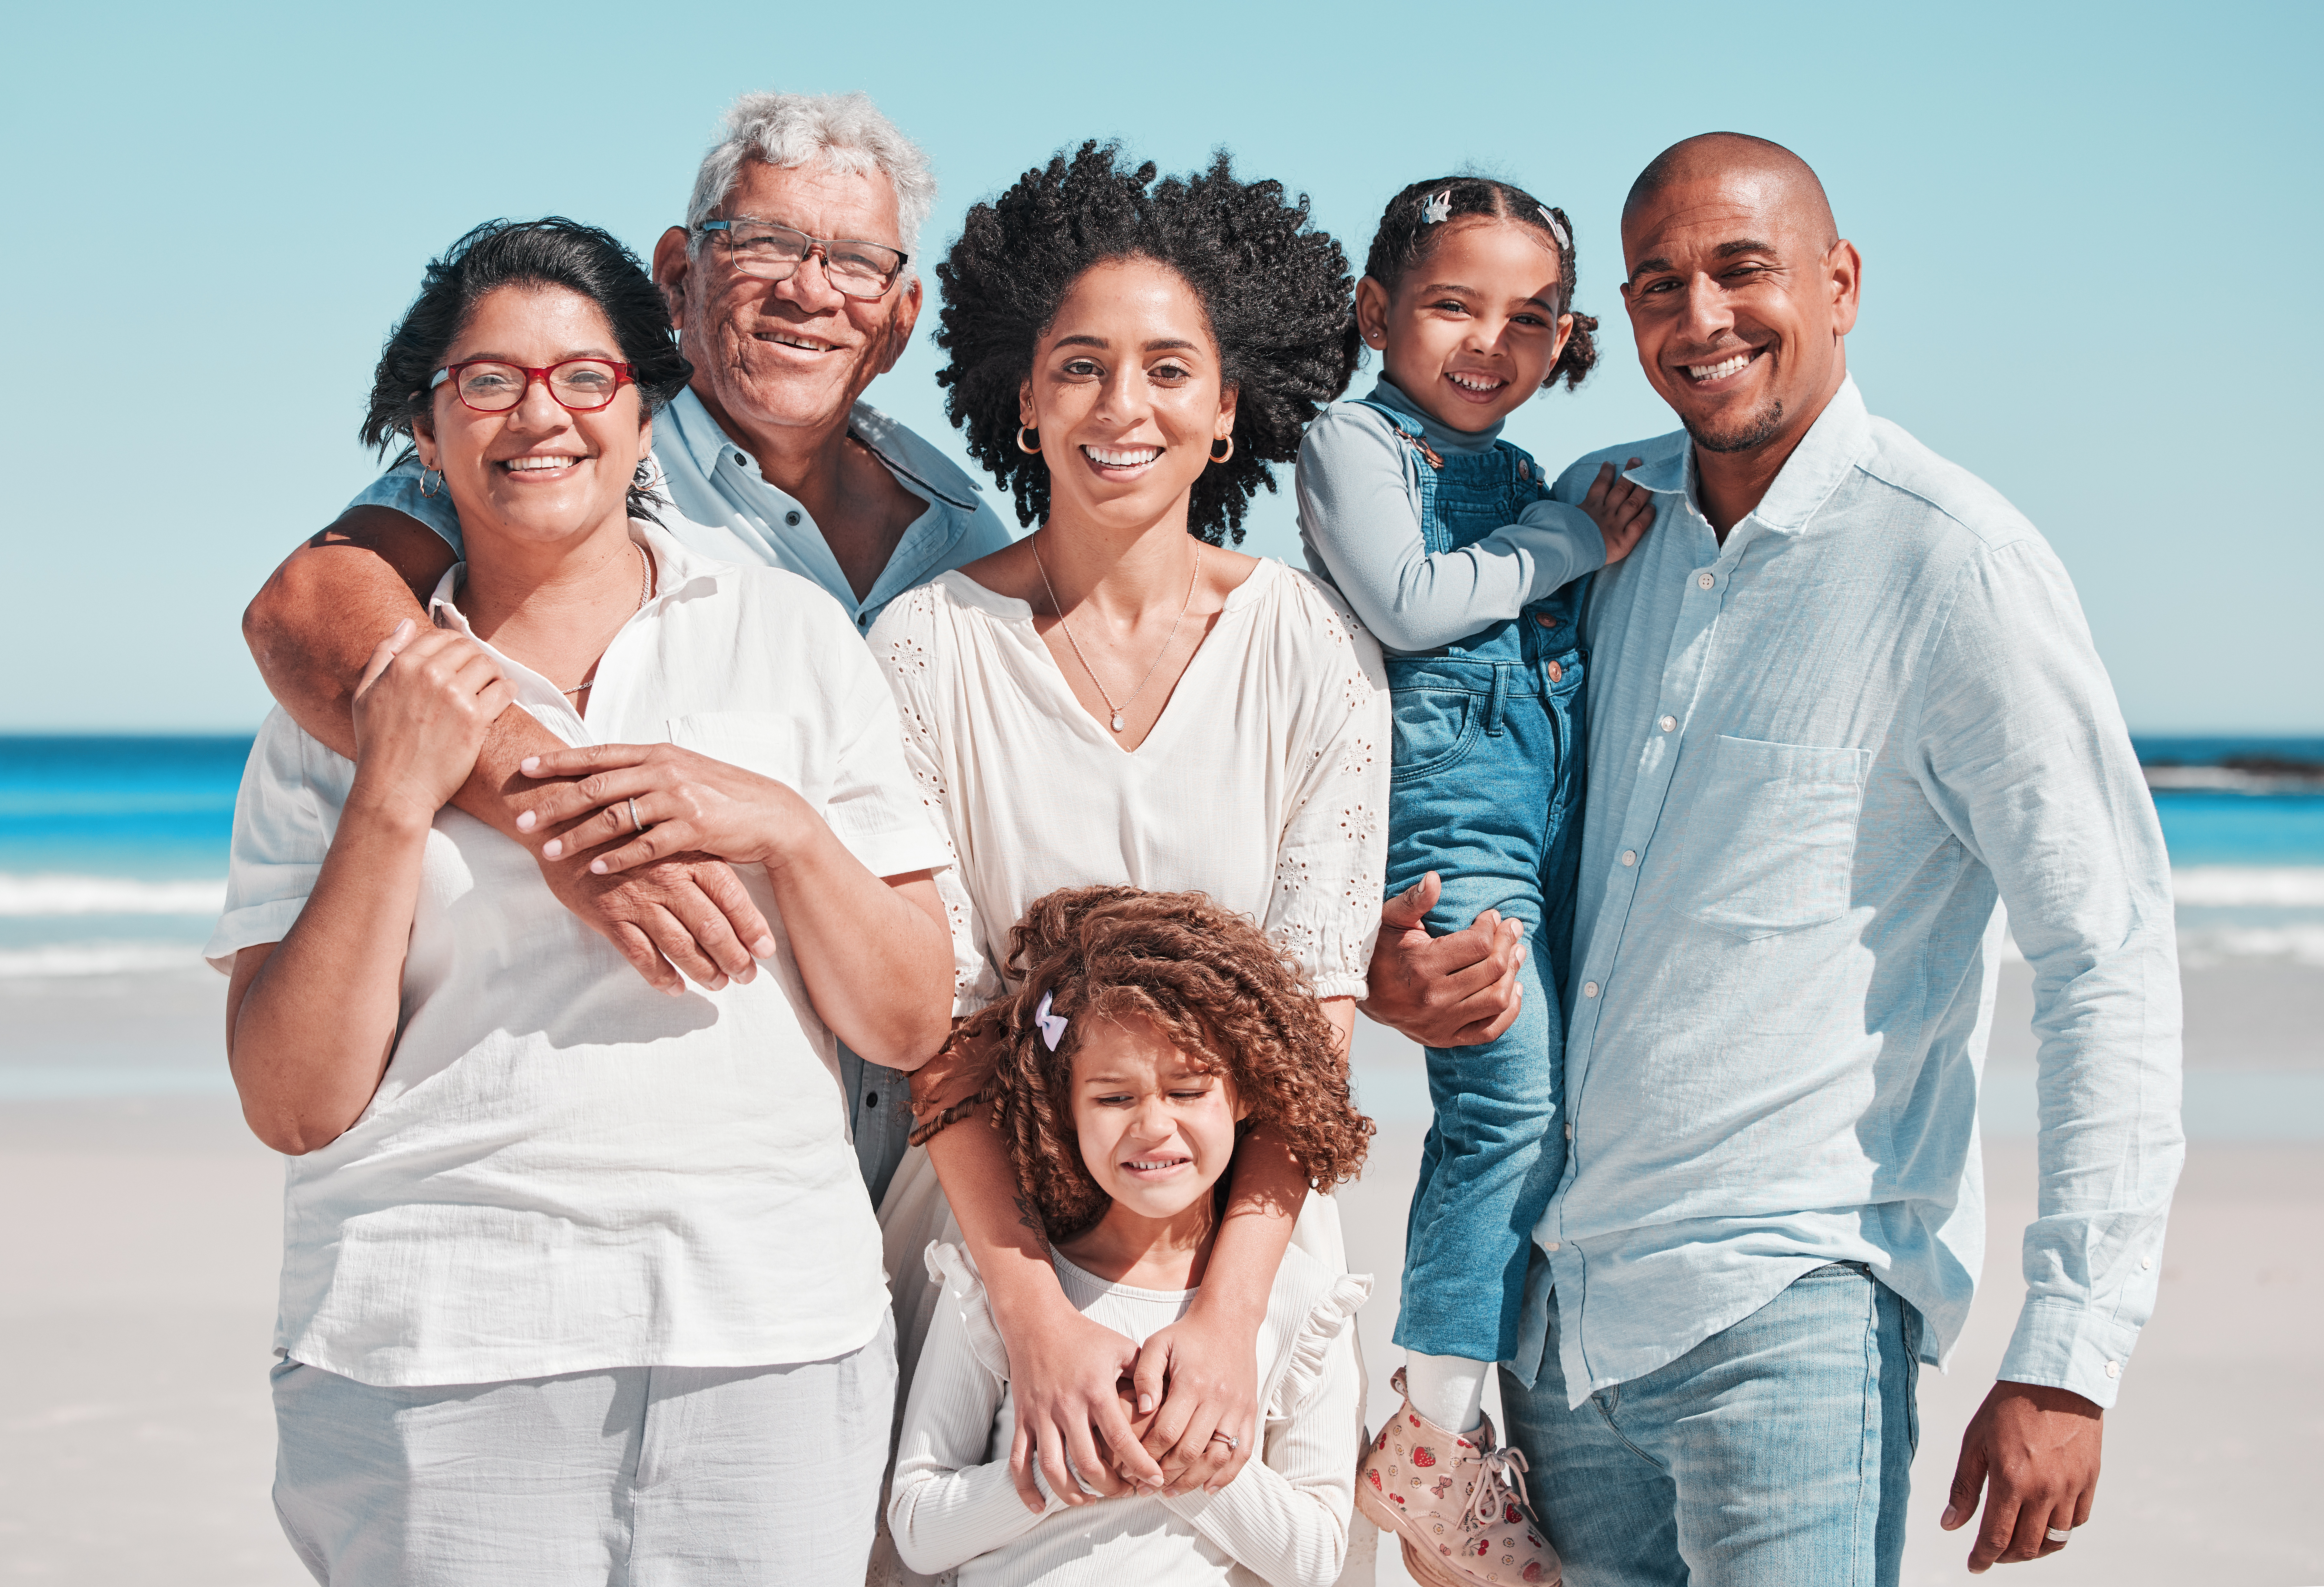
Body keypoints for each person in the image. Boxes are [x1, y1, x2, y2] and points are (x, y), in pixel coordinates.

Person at [1374, 133, 2182, 1584]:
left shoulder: (1957, 567)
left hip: (1792, 1316)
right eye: (1657, 285)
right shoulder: (1592, 516)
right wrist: (1397, 963)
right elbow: (1489, 798)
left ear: (1841, 282)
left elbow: (2104, 950)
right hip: (1561, 1317)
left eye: (1741, 271)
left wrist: (2068, 1352)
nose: (1701, 320)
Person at [205, 217, 956, 1584]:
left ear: (648, 412)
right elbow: (291, 1099)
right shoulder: (343, 689)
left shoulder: (787, 639)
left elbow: (907, 1015)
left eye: (585, 378)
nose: (536, 413)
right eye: (485, 381)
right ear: (422, 438)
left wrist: (780, 827)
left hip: (769, 1330)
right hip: (432, 1336)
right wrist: (399, 785)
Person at [239, 91, 1008, 1207]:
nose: (808, 289)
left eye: (854, 262)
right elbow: (308, 607)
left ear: (899, 313)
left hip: (907, 1173)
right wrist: (576, 828)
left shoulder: (958, 528)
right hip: (635, 1170)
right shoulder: (561, 445)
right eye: (765, 243)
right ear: (679, 273)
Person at [869, 141, 1386, 1582]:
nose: (1123, 406)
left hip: (1253, 1269)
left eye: (1169, 368)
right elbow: (943, 1029)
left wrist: (1225, 1321)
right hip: (986, 1273)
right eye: (1080, 366)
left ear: (1229, 410)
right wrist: (1031, 1319)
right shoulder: (923, 652)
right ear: (1022, 400)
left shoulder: (1315, 657)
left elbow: (1313, 1030)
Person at [1294, 175, 1652, 1587]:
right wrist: (1568, 541)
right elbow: (1408, 600)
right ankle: (1432, 1433)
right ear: (1376, 311)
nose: (1491, 342)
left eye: (1531, 317)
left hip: (1549, 811)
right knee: (1501, 1103)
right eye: (1453, 305)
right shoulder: (1353, 439)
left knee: (1558, 1106)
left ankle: (1490, 1407)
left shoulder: (1525, 473)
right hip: (1445, 826)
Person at [887, 887, 1374, 1587]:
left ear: (1243, 1094)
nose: (1152, 1125)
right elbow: (917, 1525)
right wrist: (1071, 1467)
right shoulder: (999, 1289)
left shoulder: (1303, 1301)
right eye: (1114, 1097)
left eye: (1186, 1090)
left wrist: (1172, 1451)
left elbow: (1318, 1555)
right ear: (1064, 1108)